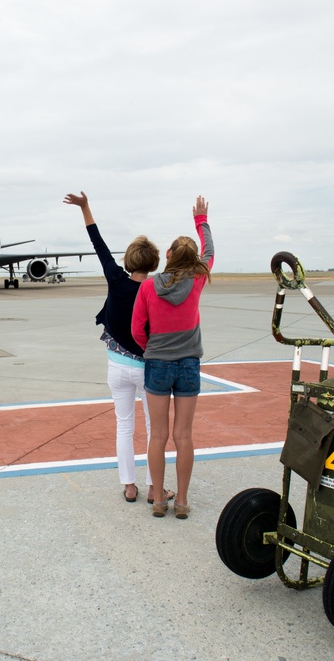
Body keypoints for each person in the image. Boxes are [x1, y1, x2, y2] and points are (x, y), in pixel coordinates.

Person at [64, 191, 170, 504]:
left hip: (117, 367)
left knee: (124, 425)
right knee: (154, 430)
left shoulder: (115, 278)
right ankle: (155, 487)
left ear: (128, 261)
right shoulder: (157, 289)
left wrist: (85, 208)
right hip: (147, 369)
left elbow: (97, 243)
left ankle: (129, 486)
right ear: (153, 264)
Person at [131, 197, 214, 519]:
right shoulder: (197, 282)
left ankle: (160, 501)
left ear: (168, 255)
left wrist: (152, 349)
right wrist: (201, 219)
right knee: (184, 436)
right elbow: (210, 252)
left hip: (157, 365)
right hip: (189, 365)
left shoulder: (150, 287)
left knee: (158, 436)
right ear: (194, 261)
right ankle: (182, 501)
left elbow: (138, 329)